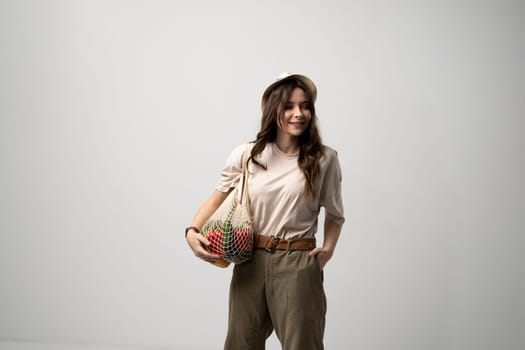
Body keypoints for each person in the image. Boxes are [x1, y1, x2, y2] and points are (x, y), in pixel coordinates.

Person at [185, 72, 345, 350]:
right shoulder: (248, 154)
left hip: (297, 261)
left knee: (302, 345)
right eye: (289, 106)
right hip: (250, 259)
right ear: (274, 110)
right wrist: (192, 231)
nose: (299, 113)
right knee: (241, 343)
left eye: (305, 106)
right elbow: (216, 199)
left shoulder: (324, 159)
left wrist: (328, 249)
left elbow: (335, 212)